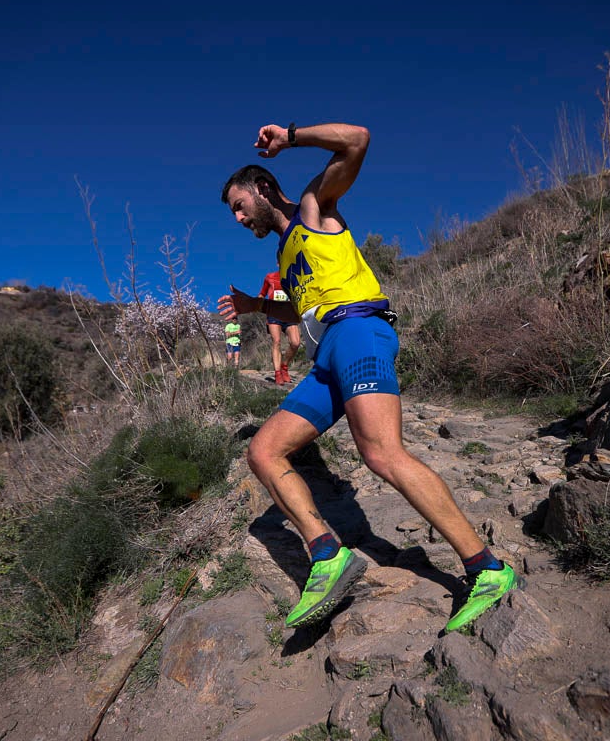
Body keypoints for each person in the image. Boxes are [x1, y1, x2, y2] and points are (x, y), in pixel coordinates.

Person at [216, 121, 516, 632]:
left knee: (381, 453)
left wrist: (291, 136)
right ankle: (328, 556)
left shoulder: (315, 207)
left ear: (262, 187)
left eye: (240, 205)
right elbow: (307, 309)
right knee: (263, 451)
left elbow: (357, 138)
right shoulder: (285, 252)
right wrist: (255, 306)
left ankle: (487, 568)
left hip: (358, 333)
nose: (239, 218)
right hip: (327, 353)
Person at [257, 270, 301, 384]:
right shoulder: (270, 277)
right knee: (276, 341)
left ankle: (284, 366)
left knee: (295, 343)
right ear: (278, 263)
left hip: (289, 313)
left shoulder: (294, 278)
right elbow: (262, 293)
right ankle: (277, 373)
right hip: (274, 313)